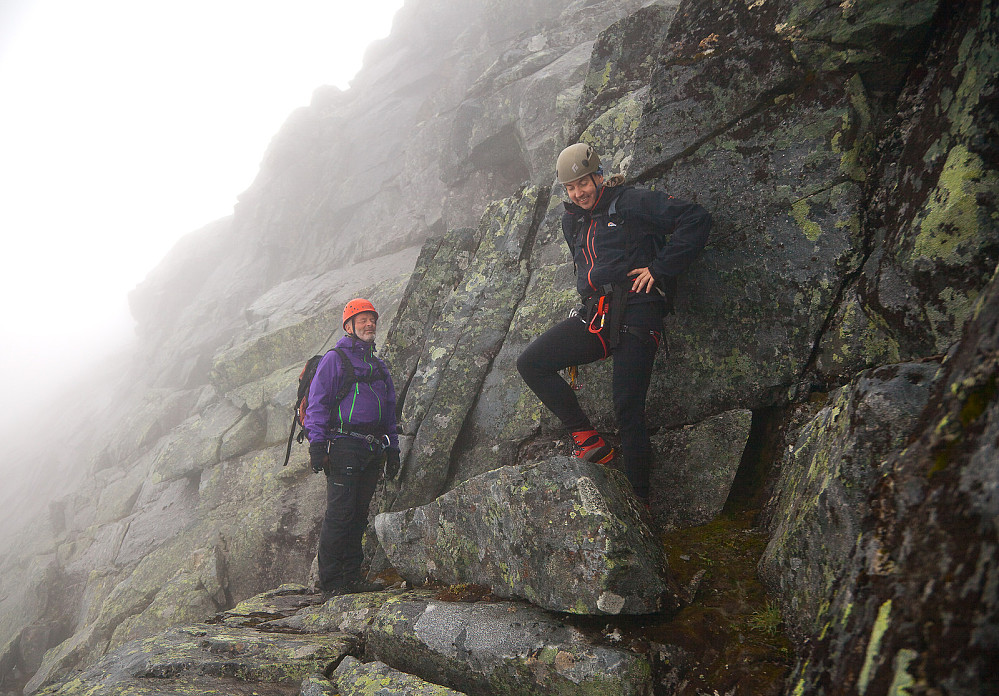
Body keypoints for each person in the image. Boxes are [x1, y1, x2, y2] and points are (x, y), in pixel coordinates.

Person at [517, 143, 711, 506]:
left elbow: (696, 219)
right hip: (598, 315)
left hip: (638, 310)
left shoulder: (631, 203)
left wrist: (659, 269)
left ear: (599, 176)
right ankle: (588, 440)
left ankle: (640, 504)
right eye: (571, 187)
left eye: (583, 183)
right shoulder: (571, 220)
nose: (578, 193)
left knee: (627, 411)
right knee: (531, 362)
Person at [305, 298, 401, 596]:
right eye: (362, 320)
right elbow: (318, 403)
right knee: (340, 514)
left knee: (359, 515)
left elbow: (389, 410)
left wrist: (393, 448)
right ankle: (332, 584)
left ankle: (351, 577)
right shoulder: (335, 359)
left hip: (373, 449)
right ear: (349, 326)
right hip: (344, 445)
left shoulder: (378, 364)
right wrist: (317, 445)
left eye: (372, 319)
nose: (369, 324)